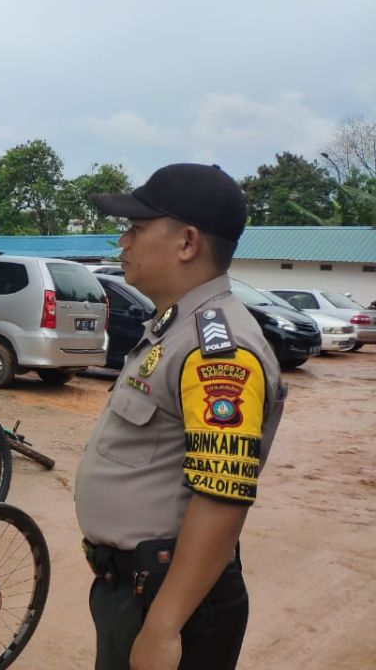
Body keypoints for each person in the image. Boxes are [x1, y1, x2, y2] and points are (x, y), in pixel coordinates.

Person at [75, 163, 287, 670]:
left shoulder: (220, 350)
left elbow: (221, 495)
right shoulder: (176, 329)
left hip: (171, 600)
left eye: (136, 228)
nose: (121, 242)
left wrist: (165, 623)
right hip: (137, 589)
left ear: (187, 243)